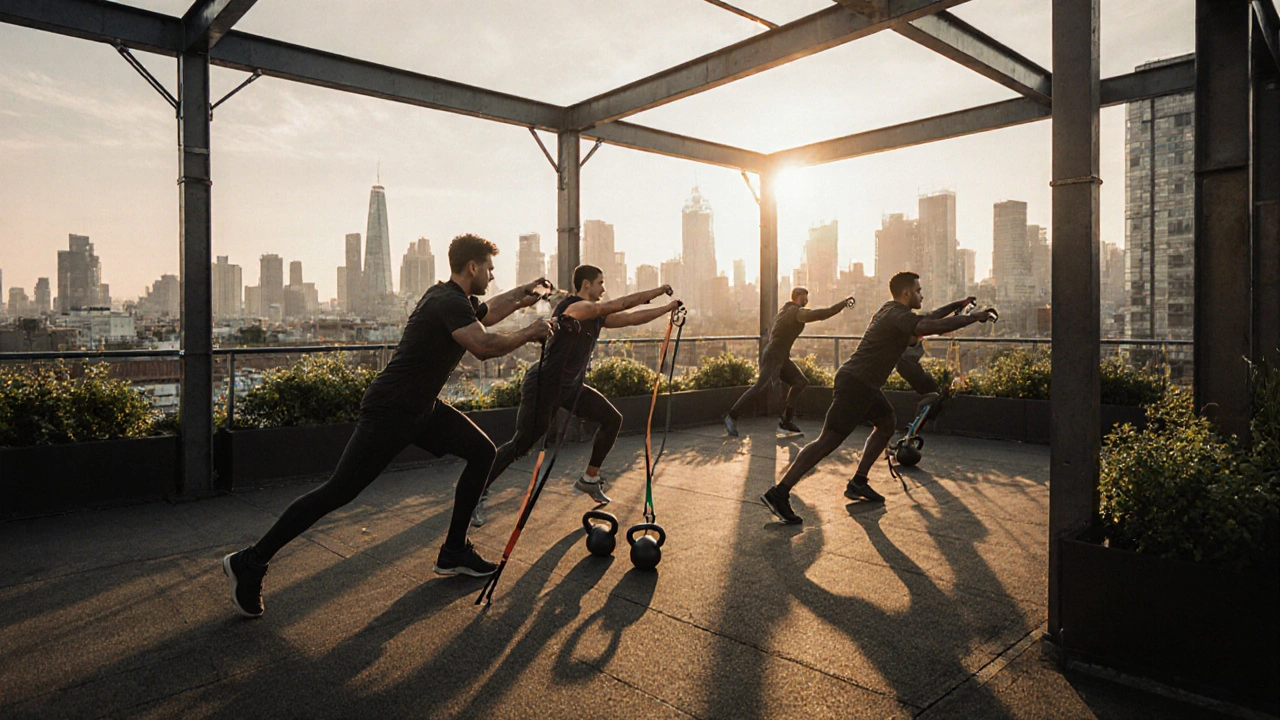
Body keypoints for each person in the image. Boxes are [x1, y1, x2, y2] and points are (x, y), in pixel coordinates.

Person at [221, 234, 555, 617]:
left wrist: (523, 294)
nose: (493, 276)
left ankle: (453, 551)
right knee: (337, 491)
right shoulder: (447, 301)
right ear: (473, 267)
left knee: (482, 451)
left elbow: (491, 311)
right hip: (392, 409)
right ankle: (250, 561)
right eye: (490, 269)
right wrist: (530, 332)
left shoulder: (454, 300)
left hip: (420, 409)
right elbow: (482, 346)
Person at [759, 271, 992, 524]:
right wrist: (971, 318)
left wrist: (958, 306)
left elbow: (930, 318)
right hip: (856, 383)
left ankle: (859, 481)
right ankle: (779, 493)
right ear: (906, 293)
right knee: (826, 441)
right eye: (918, 290)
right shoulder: (896, 315)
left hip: (865, 384)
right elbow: (929, 326)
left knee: (887, 424)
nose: (921, 294)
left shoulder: (892, 311)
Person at [471, 265, 679, 525]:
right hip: (545, 385)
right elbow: (621, 304)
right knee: (521, 444)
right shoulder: (576, 307)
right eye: (600, 283)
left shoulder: (597, 315)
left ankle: (590, 478)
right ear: (586, 285)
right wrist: (659, 290)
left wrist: (667, 309)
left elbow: (631, 318)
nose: (603, 289)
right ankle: (475, 493)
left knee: (612, 419)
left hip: (570, 388)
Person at [724, 287, 854, 437]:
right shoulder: (796, 312)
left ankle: (785, 422)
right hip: (774, 355)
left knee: (800, 381)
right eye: (805, 296)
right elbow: (822, 314)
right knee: (760, 386)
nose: (807, 299)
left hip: (780, 356)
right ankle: (731, 416)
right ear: (797, 297)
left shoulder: (784, 311)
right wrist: (843, 304)